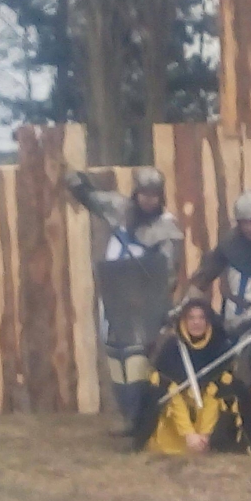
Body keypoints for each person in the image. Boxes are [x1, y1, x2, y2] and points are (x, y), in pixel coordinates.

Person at [65, 167, 184, 435]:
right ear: (136, 193)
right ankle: (127, 417)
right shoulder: (119, 208)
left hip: (142, 300)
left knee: (135, 358)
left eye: (153, 195)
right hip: (113, 295)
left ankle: (139, 420)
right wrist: (77, 185)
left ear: (160, 196)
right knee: (114, 356)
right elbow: (92, 198)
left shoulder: (167, 228)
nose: (148, 200)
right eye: (144, 194)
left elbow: (167, 274)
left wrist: (154, 301)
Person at [176, 190, 251, 450]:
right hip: (230, 317)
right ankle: (232, 429)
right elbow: (206, 273)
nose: (249, 228)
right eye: (245, 222)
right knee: (227, 376)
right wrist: (188, 301)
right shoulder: (229, 244)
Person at [132, 299, 251, 455]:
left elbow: (214, 394)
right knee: (158, 387)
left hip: (207, 418)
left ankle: (220, 442)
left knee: (231, 386)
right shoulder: (171, 349)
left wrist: (204, 435)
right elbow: (172, 395)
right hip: (178, 419)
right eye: (191, 318)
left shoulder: (218, 347)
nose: (196, 323)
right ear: (184, 321)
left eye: (201, 318)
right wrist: (189, 435)